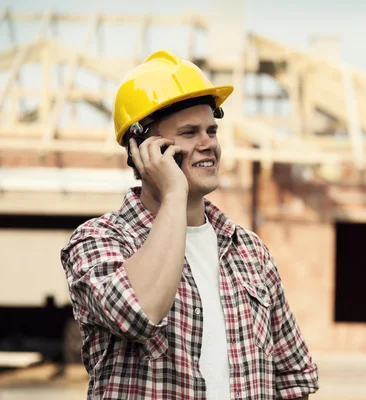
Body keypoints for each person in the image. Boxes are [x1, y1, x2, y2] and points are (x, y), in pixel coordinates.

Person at [60, 49, 319, 400]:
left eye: (211, 130)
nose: (208, 143)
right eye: (189, 132)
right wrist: (173, 192)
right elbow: (139, 312)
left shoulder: (249, 250)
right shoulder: (98, 241)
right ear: (141, 148)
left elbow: (294, 377)